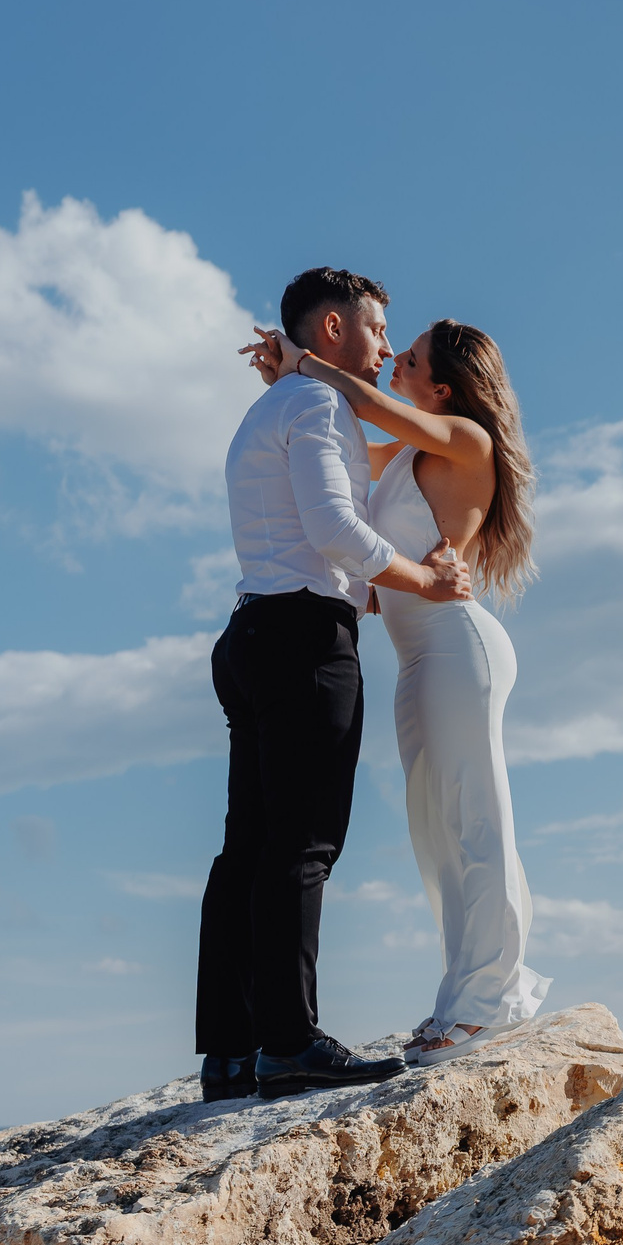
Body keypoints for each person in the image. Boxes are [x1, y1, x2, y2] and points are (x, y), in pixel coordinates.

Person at [198, 268, 472, 1102]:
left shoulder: (270, 408)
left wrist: (293, 369)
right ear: (332, 331)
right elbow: (333, 527)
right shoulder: (315, 407)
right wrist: (427, 583)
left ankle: (231, 1052)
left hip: (249, 634)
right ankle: (289, 1043)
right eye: (378, 328)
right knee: (302, 847)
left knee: (247, 843)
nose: (387, 345)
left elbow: (365, 468)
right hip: (303, 636)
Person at [246, 314, 549, 1065]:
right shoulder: (410, 454)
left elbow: (367, 407)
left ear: (440, 387)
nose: (394, 362)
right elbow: (354, 441)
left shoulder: (466, 441)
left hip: (458, 649)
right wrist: (289, 381)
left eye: (408, 358)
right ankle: (461, 994)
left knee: (478, 819)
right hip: (417, 659)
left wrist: (304, 359)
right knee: (437, 831)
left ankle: (491, 998)